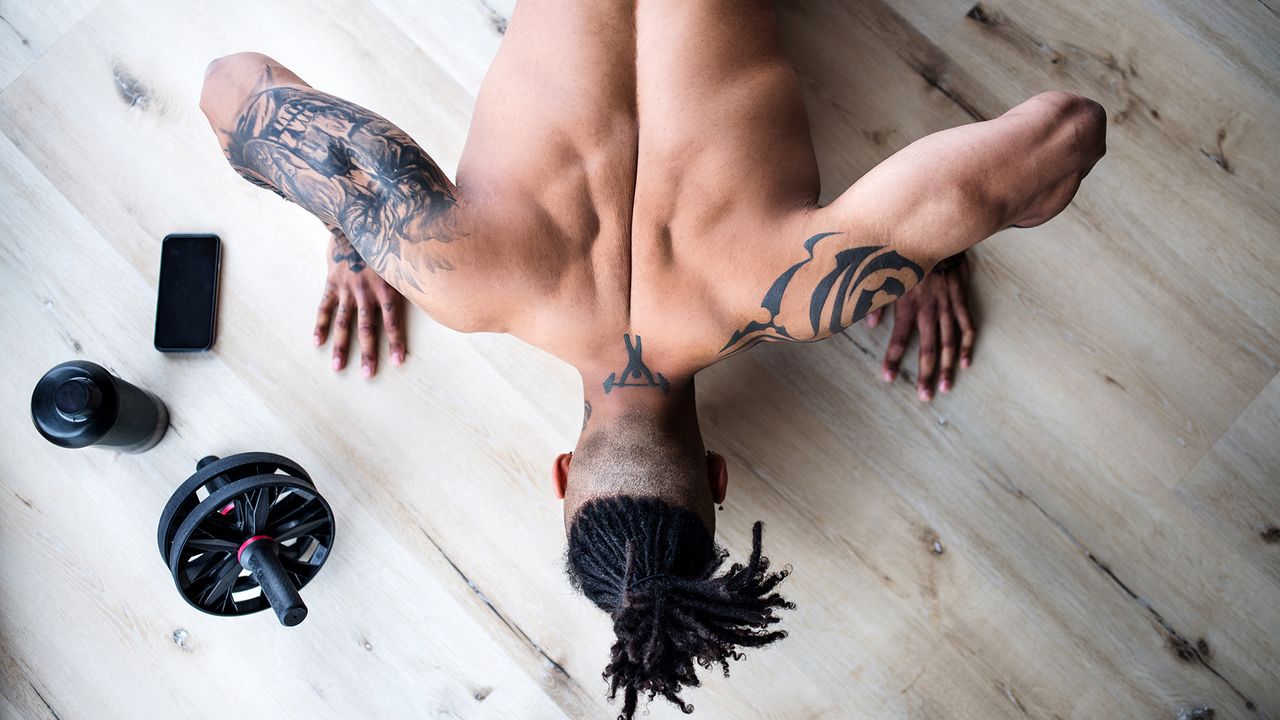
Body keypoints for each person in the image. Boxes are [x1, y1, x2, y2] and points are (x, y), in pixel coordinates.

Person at [197, 1, 1105, 716]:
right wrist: (362, 232)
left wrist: (921, 256)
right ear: (559, 477)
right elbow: (229, 84)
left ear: (719, 476)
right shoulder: (457, 276)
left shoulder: (808, 288)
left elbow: (1069, 130)